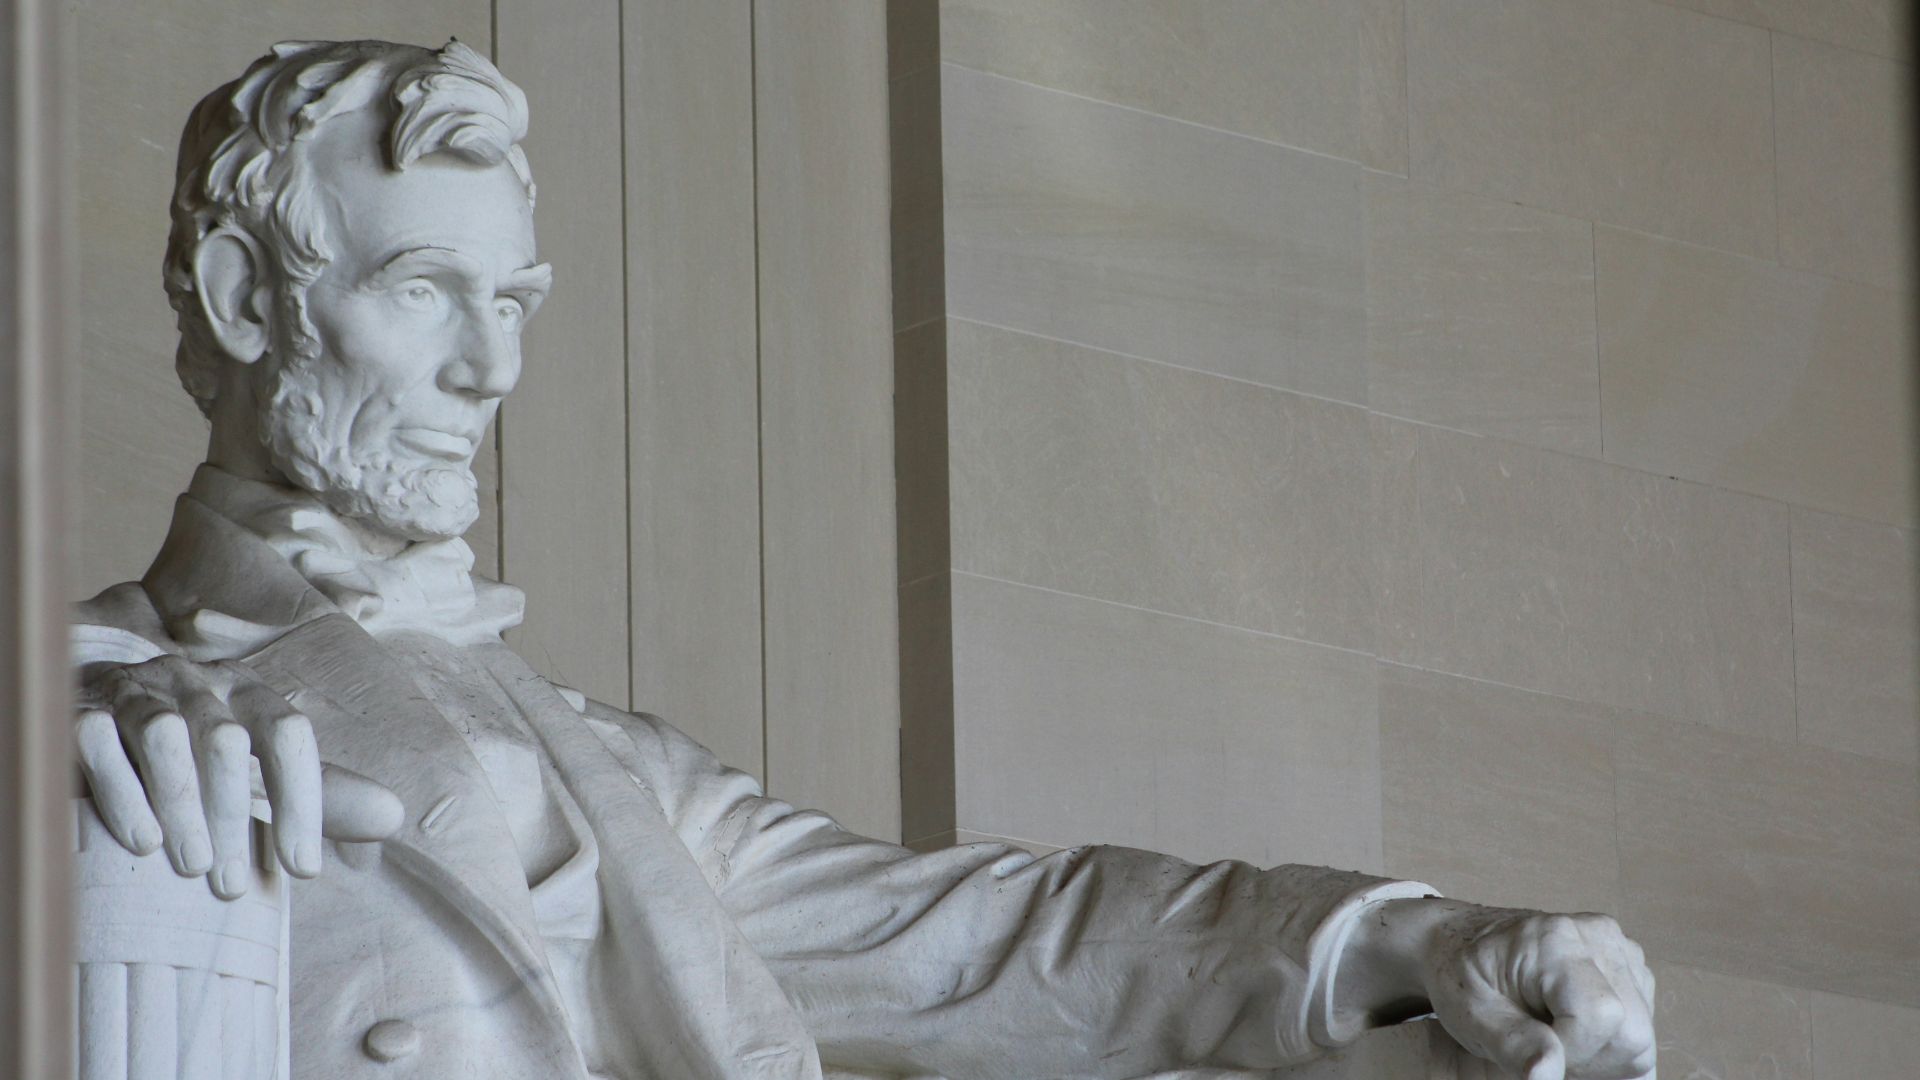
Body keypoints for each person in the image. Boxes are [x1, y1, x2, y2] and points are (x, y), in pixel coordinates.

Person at [71, 38, 1656, 1080]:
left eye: (518, 305)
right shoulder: (81, 712)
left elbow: (1000, 938)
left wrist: (1412, 939)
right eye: (427, 292)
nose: (491, 370)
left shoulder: (614, 771)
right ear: (236, 291)